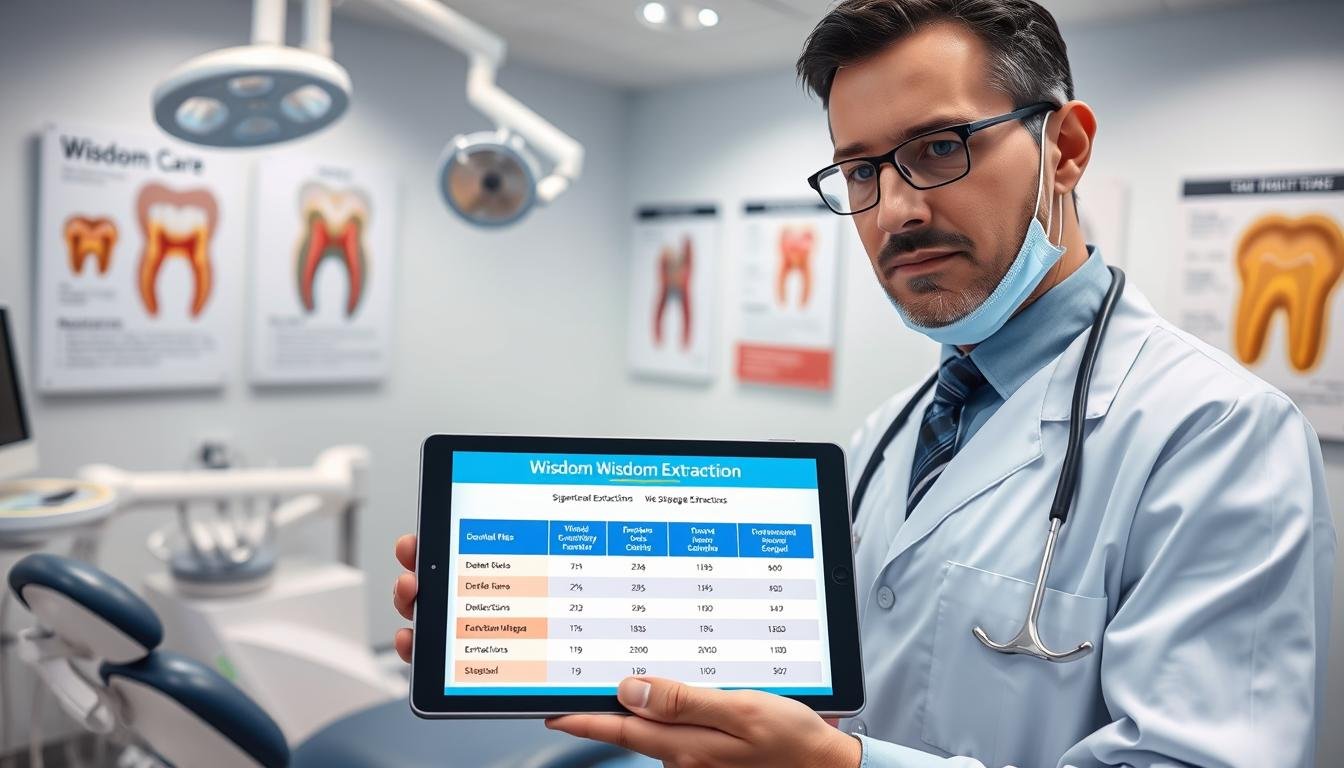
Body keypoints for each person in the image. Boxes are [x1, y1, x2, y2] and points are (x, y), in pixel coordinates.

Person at [392, 1, 1337, 764]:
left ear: (1067, 149)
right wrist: (548, 617)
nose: (897, 210)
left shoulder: (1216, 433)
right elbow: (809, 671)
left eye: (939, 148)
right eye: (858, 170)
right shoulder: (891, 431)